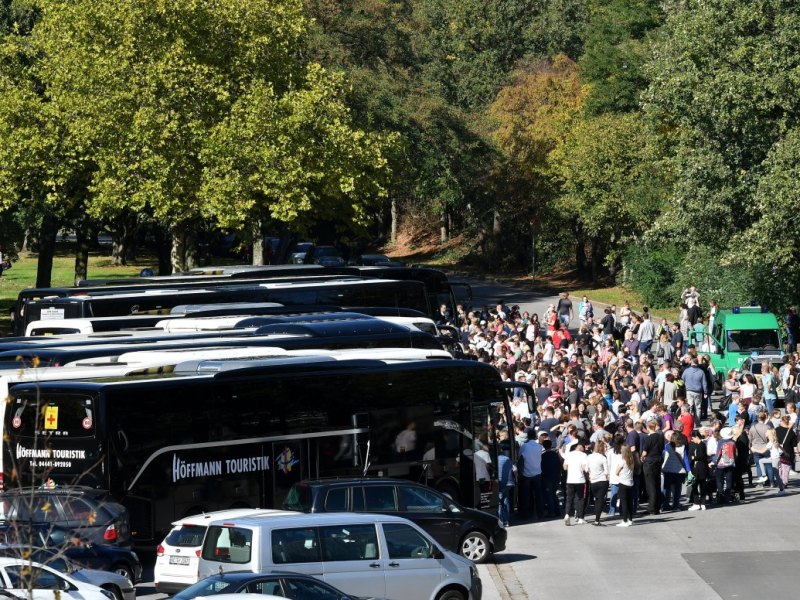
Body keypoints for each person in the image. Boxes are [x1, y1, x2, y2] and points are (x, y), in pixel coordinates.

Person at [640, 419, 665, 515]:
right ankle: (657, 507)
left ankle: (651, 508)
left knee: (650, 485)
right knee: (657, 483)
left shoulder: (649, 438)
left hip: (650, 461)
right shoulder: (660, 437)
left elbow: (645, 452)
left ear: (648, 427)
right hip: (658, 460)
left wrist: (641, 457)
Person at [518, 435, 544, 520]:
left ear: (528, 437)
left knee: (526, 495)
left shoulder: (524, 446)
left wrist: (519, 474)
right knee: (538, 495)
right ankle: (540, 513)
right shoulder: (539, 446)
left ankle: (525, 514)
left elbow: (520, 457)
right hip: (537, 473)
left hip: (526, 474)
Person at [563, 442, 589, 526]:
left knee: (569, 498)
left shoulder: (569, 454)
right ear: (581, 448)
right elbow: (585, 468)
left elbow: (565, 467)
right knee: (580, 499)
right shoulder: (583, 455)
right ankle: (580, 518)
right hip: (580, 480)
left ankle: (567, 514)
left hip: (570, 479)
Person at [588, 439, 609, 526]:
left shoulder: (589, 457)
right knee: (600, 499)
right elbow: (606, 472)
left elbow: (587, 469)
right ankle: (597, 519)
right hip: (602, 480)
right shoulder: (603, 458)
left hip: (593, 481)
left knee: (597, 499)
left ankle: (597, 518)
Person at [613, 444, 635, 527]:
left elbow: (616, 472)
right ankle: (630, 519)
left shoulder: (622, 461)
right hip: (630, 483)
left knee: (624, 502)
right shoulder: (631, 459)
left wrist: (620, 474)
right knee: (630, 502)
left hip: (623, 483)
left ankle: (624, 520)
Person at [687, 430, 710, 511]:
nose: (692, 440)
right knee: (701, 486)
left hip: (699, 468)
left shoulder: (701, 445)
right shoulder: (700, 444)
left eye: (693, 438)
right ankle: (702, 503)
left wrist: (693, 457)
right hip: (701, 467)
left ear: (696, 437)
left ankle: (697, 503)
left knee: (696, 485)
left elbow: (701, 455)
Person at [714, 427, 737, 503]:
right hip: (730, 463)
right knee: (729, 479)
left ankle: (721, 494)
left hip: (721, 463)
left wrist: (714, 462)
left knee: (719, 479)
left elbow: (718, 453)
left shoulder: (721, 442)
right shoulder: (733, 442)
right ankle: (729, 495)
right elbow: (735, 453)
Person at [497, 452, 514, 526]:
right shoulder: (508, 459)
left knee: (500, 502)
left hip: (501, 482)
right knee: (506, 500)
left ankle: (502, 521)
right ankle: (506, 521)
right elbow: (515, 469)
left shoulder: (495, 459)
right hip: (509, 483)